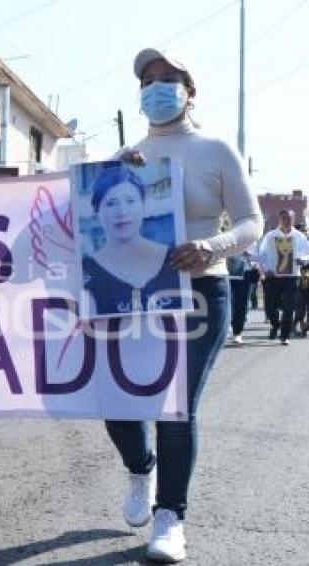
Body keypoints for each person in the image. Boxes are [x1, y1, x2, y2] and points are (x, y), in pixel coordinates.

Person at [106, 48, 262, 562]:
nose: (156, 87)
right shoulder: (126, 156)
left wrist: (211, 247)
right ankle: (140, 469)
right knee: (117, 401)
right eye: (147, 80)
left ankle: (170, 516)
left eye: (167, 78)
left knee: (175, 408)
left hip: (200, 292)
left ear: (189, 91)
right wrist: (114, 179)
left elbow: (250, 223)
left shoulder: (216, 150)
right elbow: (87, 219)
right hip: (134, 296)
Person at [81, 165, 182, 316]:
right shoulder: (87, 271)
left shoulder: (175, 260)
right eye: (111, 203)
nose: (122, 212)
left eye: (130, 201)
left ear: (143, 205)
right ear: (97, 211)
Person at [257, 210, 309, 345]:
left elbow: (307, 254)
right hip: (273, 276)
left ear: (293, 219)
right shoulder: (270, 236)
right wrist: (266, 270)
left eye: (289, 218)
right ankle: (275, 324)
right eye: (284, 218)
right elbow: (262, 255)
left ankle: (284, 335)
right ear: (279, 219)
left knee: (289, 306)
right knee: (270, 307)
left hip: (292, 276)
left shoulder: (300, 236)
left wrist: (303, 260)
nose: (286, 221)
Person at [226, 251, 253, 344]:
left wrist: (251, 256)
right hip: (223, 270)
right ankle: (225, 327)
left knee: (241, 303)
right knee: (225, 301)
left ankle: (237, 332)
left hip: (244, 271)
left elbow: (258, 251)